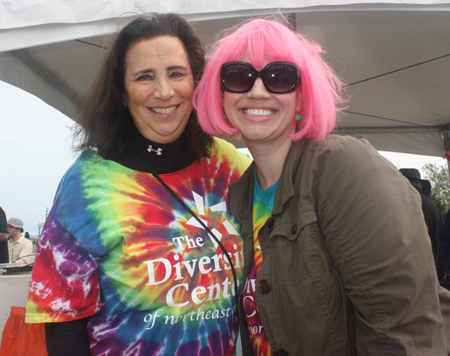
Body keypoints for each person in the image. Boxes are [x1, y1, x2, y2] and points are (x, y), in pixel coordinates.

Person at [194, 16, 450, 355]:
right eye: (239, 77)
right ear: (222, 95)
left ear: (302, 97)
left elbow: (404, 330)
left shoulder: (343, 168)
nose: (258, 91)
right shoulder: (239, 194)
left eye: (280, 77)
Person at [26, 14, 250, 356]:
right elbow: (62, 324)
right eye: (145, 77)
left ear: (197, 81)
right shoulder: (85, 187)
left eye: (177, 73)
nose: (164, 91)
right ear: (122, 91)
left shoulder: (229, 166)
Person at [399, 168, 444, 279]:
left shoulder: (406, 203)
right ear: (421, 186)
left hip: (413, 277)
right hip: (433, 277)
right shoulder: (433, 209)